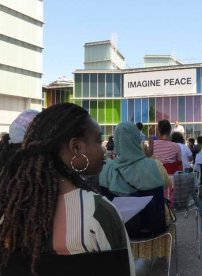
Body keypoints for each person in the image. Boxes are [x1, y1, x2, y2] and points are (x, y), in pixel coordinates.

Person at [0, 103, 134, 275]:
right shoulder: (98, 213)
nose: (103, 151)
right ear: (76, 147)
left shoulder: (9, 213)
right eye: (98, 141)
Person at [99, 122, 171, 239]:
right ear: (137, 139)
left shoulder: (104, 169)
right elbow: (168, 184)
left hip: (117, 232)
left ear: (117, 141)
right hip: (153, 229)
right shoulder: (154, 166)